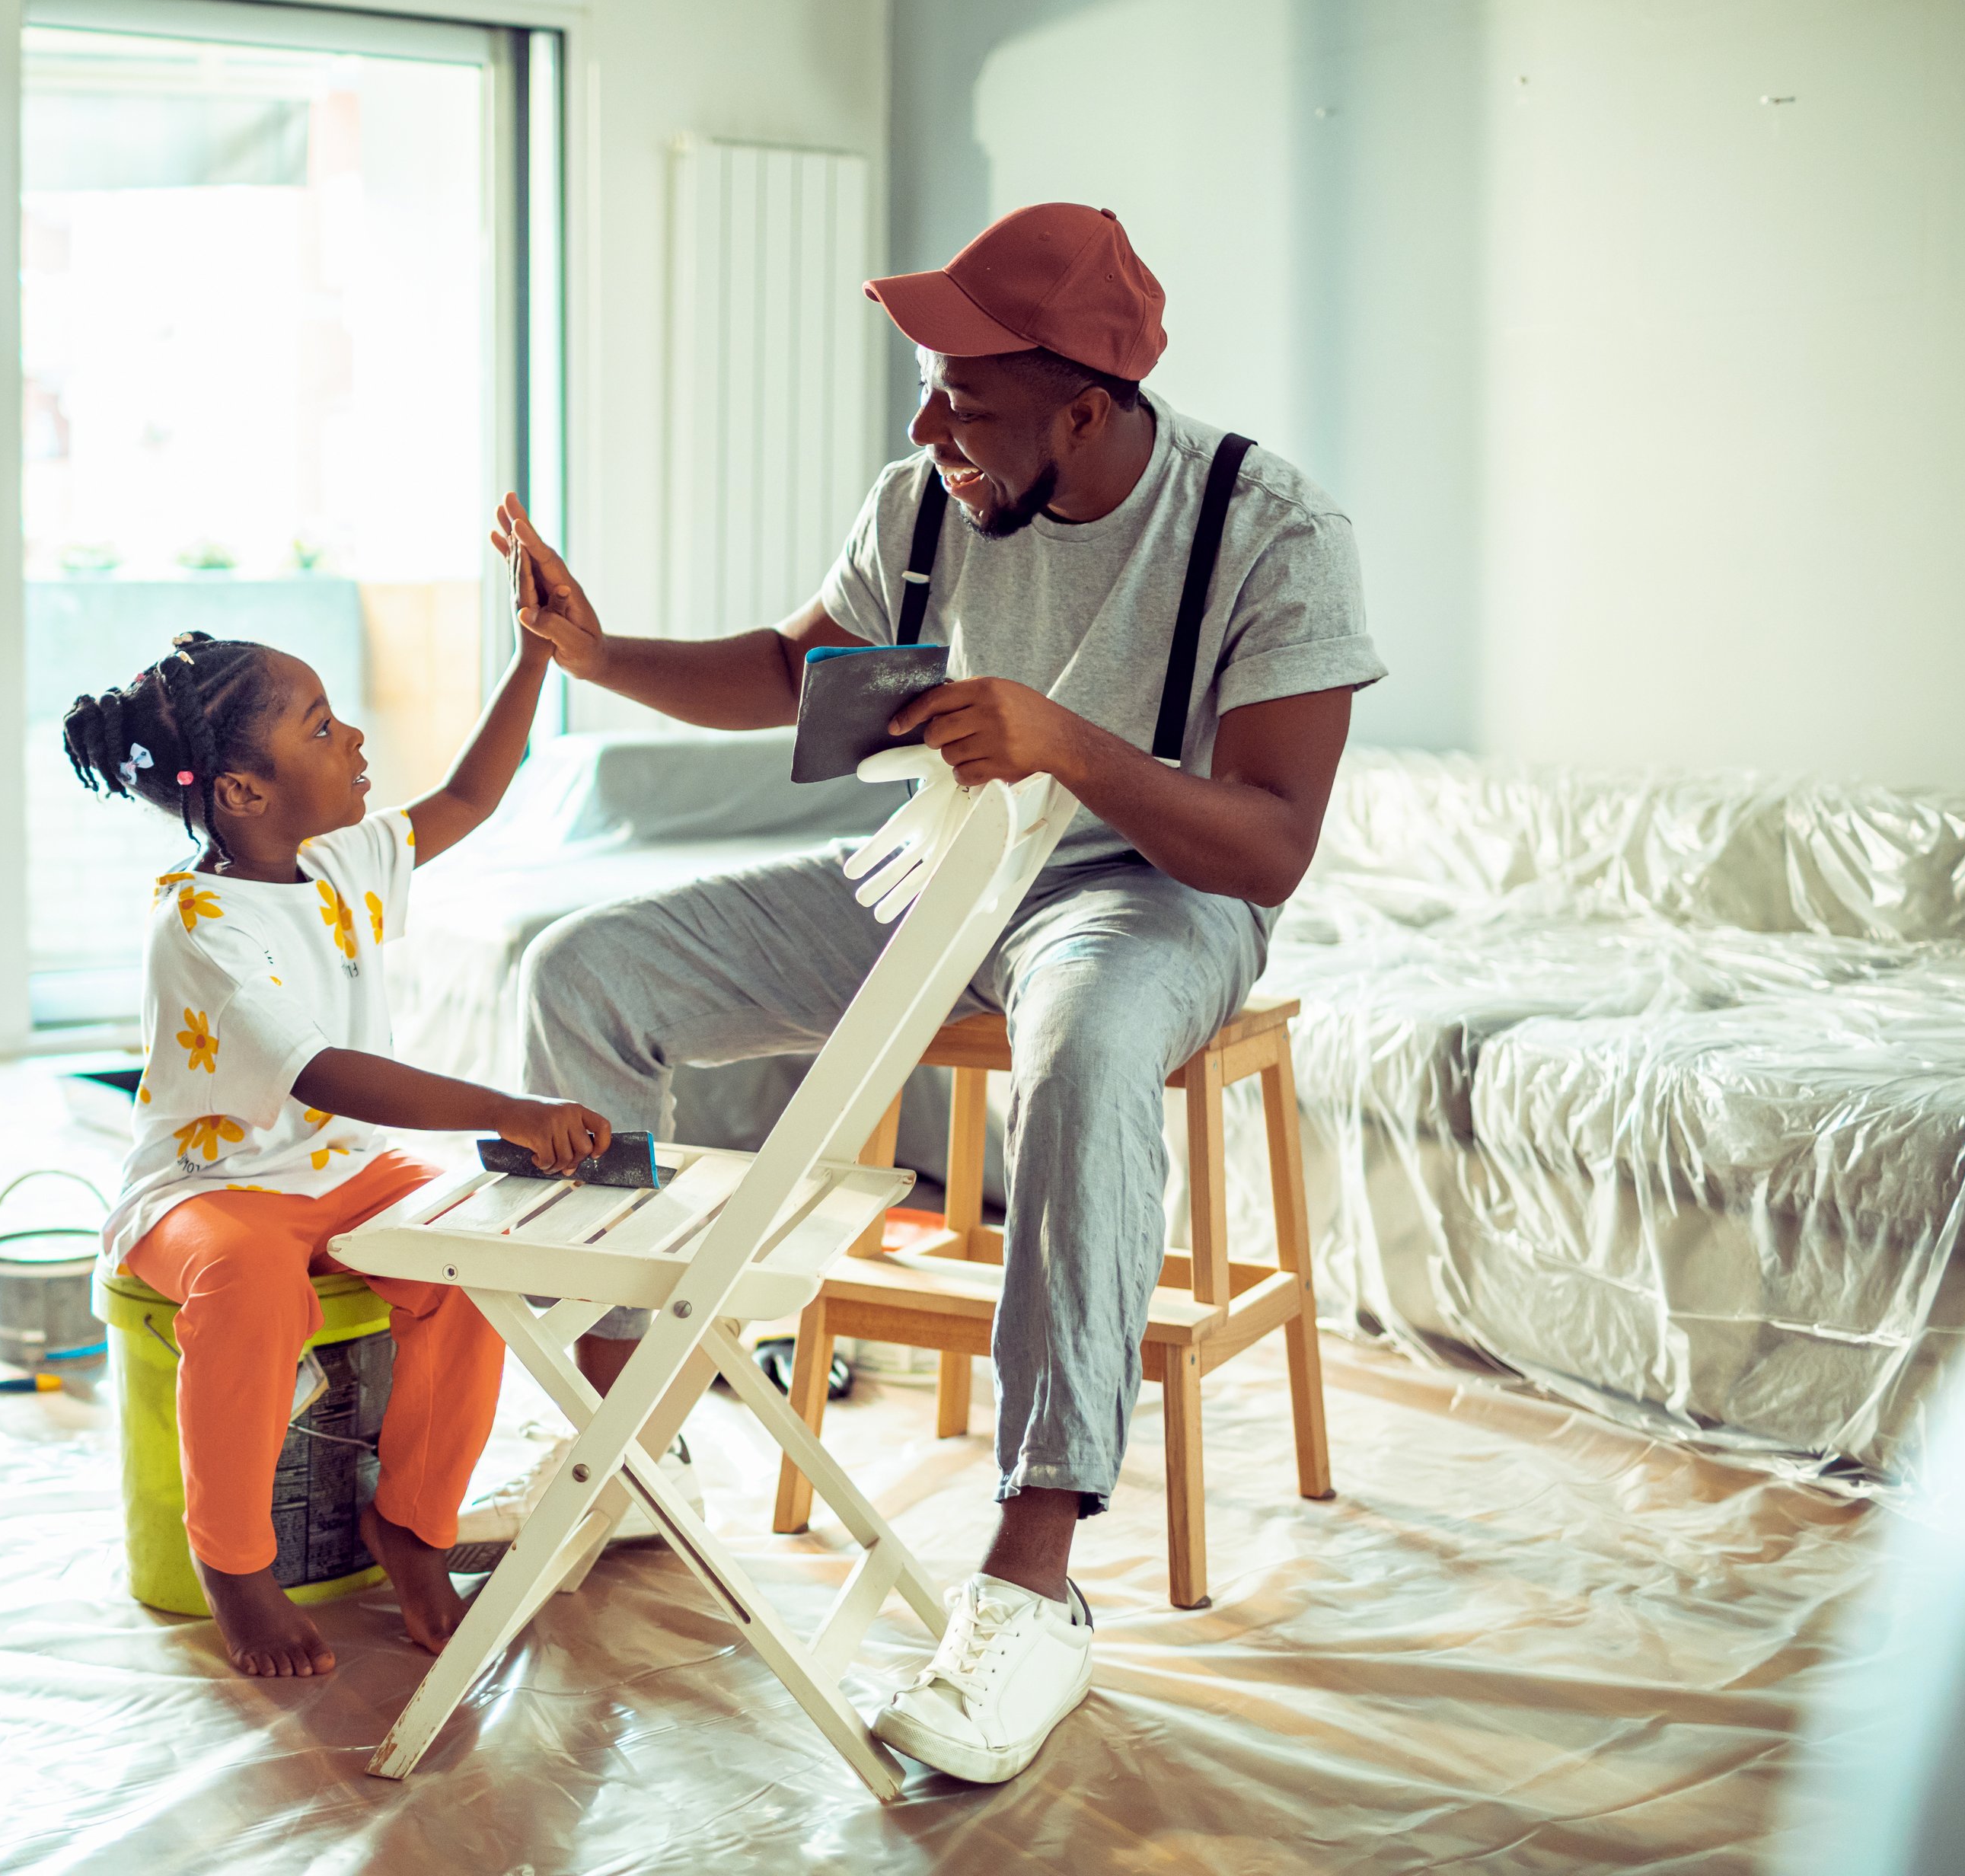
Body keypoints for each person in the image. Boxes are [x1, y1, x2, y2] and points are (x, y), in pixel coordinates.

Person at [487, 202, 1386, 1781]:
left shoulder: (1270, 527)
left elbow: (1274, 843)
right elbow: (789, 668)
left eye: (963, 397)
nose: (924, 427)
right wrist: (597, 650)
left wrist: (1072, 742)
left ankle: (1033, 1586)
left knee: (1088, 1043)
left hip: (1146, 889)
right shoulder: (928, 497)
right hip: (937, 865)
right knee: (583, 972)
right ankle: (631, 1453)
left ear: (1088, 411)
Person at [63, 609, 610, 1680]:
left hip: (346, 1172)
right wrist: (508, 1106)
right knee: (251, 1275)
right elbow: (317, 1072)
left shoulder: (340, 863)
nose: (353, 739)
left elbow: (470, 798)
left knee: (467, 1251)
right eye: (320, 728)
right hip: (205, 1187)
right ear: (240, 793)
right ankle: (233, 1564)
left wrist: (536, 654)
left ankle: (413, 1523)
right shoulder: (201, 924)